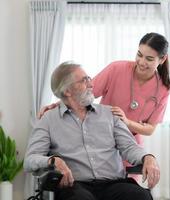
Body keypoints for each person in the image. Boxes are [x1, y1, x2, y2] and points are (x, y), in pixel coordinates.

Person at [24, 62, 160, 200]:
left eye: (89, 78)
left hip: (114, 184)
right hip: (75, 187)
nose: (91, 84)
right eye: (84, 80)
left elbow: (129, 147)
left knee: (140, 196)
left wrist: (147, 157)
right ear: (67, 91)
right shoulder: (48, 120)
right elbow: (30, 160)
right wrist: (53, 161)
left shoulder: (110, 114)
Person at [39, 32, 170, 147]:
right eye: (139, 54)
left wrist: (126, 122)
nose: (142, 62)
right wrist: (55, 105)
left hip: (130, 143)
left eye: (149, 59)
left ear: (162, 59)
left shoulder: (163, 89)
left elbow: (150, 129)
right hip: (102, 139)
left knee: (130, 177)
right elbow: (84, 94)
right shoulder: (116, 69)